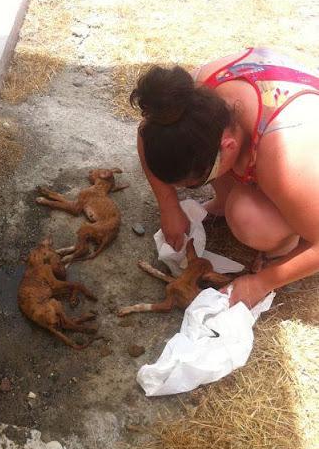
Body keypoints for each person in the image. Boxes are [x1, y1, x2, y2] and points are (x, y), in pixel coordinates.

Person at [132, 47, 319, 308]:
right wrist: (168, 204)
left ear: (228, 146)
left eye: (196, 184)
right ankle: (226, 201)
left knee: (251, 220)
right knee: (235, 201)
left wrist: (262, 283)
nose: (192, 190)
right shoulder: (188, 101)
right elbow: (147, 132)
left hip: (307, 162)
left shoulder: (285, 156)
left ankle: (284, 243)